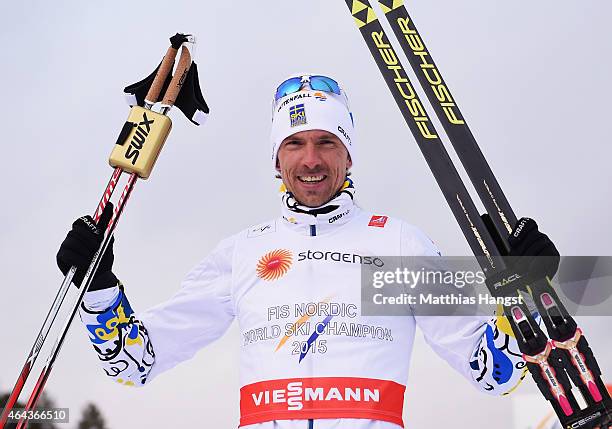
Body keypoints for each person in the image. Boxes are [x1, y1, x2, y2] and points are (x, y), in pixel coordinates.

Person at [57, 74, 560, 428]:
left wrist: (526, 295)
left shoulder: (396, 246)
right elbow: (134, 363)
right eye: (295, 144)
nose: (312, 160)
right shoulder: (243, 253)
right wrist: (99, 289)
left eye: (327, 141)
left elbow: (494, 374)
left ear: (348, 153)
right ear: (276, 159)